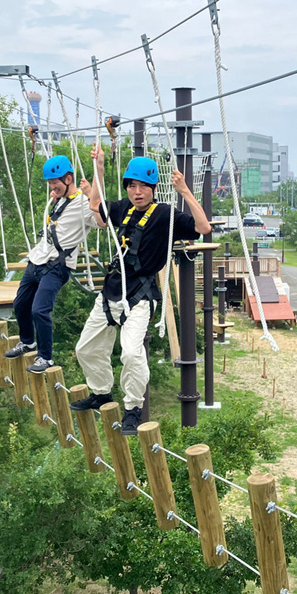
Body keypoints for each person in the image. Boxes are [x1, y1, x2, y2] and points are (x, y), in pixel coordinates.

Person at [70, 148, 211, 435]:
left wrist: (184, 191)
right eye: (132, 186)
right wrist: (98, 168)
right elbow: (96, 208)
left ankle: (133, 410)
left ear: (153, 189)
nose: (137, 192)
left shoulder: (165, 216)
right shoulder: (123, 209)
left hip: (139, 296)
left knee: (132, 354)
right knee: (85, 348)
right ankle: (101, 393)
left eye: (143, 187)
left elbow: (203, 227)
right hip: (111, 290)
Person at [5, 155, 95, 373]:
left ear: (68, 179)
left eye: (55, 183)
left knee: (40, 310)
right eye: (50, 183)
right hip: (38, 258)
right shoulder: (58, 201)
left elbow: (100, 221)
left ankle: (46, 358)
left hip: (58, 265)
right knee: (20, 304)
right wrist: (56, 198)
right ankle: (28, 342)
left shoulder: (83, 203)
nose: (52, 187)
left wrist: (94, 194)